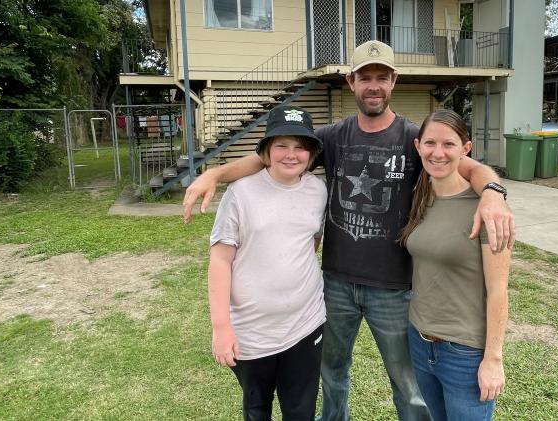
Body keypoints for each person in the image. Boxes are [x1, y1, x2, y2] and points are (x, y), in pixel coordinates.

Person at [188, 40, 515, 421]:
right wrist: (215, 172)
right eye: (365, 78)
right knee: (332, 375)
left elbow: (470, 167)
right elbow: (269, 156)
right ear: (351, 82)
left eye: (381, 77)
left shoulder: (415, 139)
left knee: (407, 385)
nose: (373, 85)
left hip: (393, 286)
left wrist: (493, 191)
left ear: (393, 81)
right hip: (336, 284)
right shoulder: (332, 137)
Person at [208, 105, 327, 421]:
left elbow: (311, 242)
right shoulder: (241, 193)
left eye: (301, 146)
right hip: (252, 333)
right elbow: (220, 260)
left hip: (306, 325)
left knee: (300, 412)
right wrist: (221, 328)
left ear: (312, 154)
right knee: (257, 409)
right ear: (265, 151)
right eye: (282, 145)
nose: (292, 154)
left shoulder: (318, 190)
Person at [399, 109, 510, 421]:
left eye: (449, 144)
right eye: (430, 143)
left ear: (466, 149)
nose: (438, 153)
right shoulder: (421, 196)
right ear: (418, 146)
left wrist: (493, 359)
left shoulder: (489, 211)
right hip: (420, 341)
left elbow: (498, 291)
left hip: (465, 352)